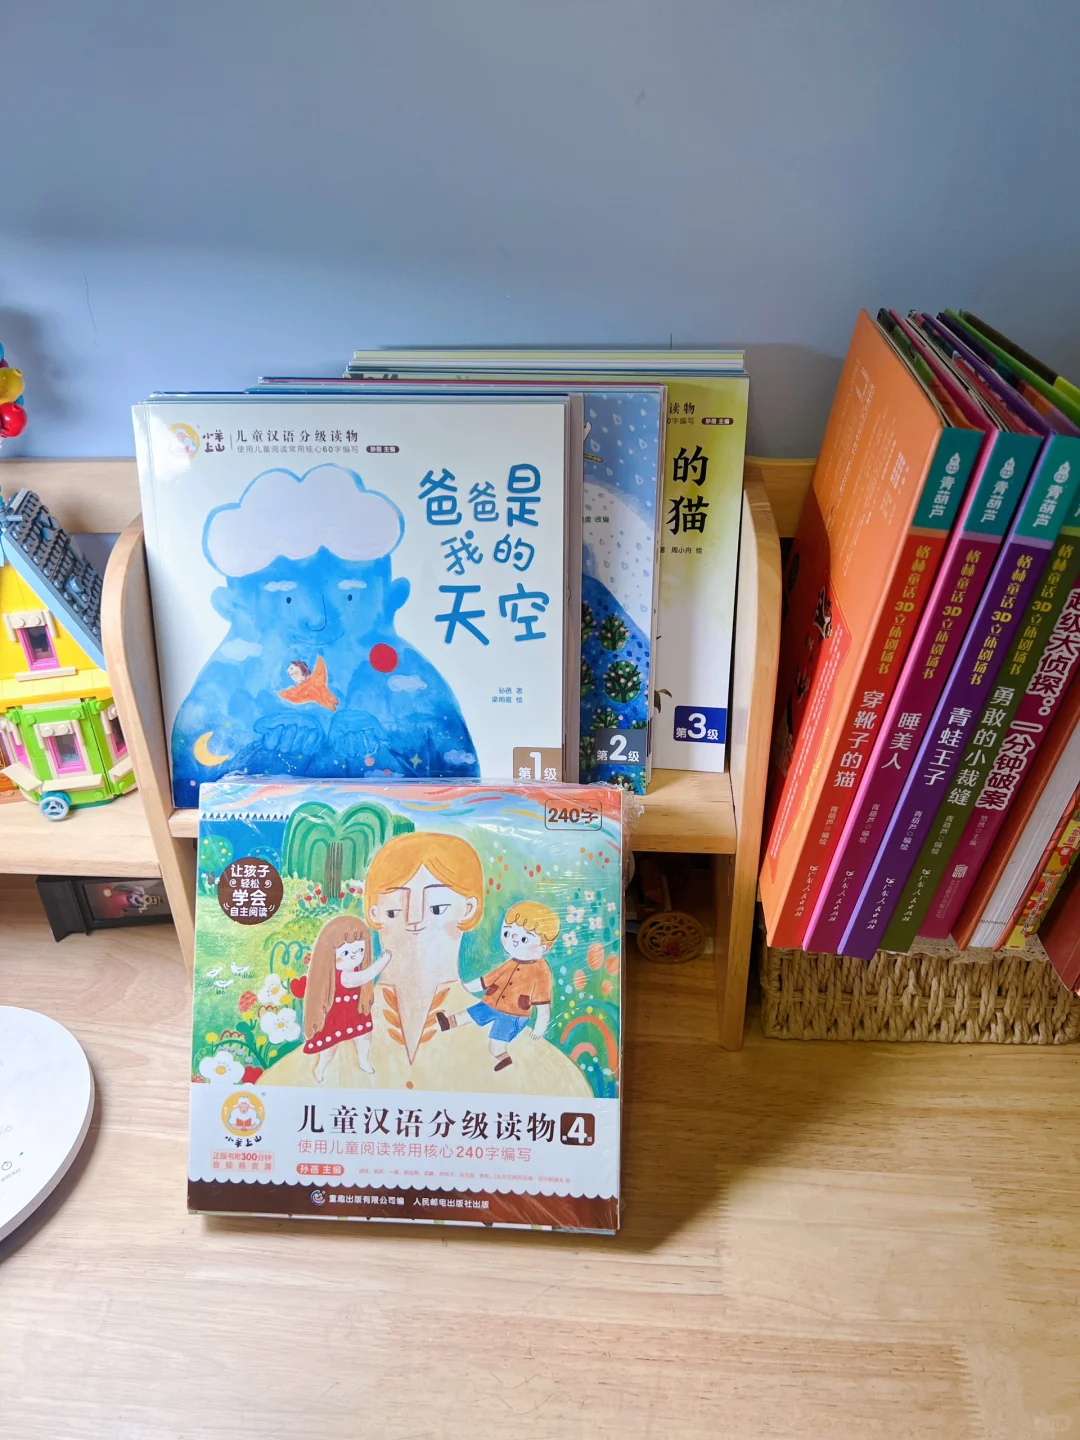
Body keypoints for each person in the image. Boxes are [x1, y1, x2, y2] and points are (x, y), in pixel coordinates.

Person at [365, 831, 483, 1064]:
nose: (414, 919)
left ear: (468, 909)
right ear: (374, 913)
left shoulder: (497, 1035)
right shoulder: (347, 1026)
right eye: (393, 911)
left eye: (437, 908)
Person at [436, 901, 557, 1072]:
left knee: (496, 1043)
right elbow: (489, 979)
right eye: (507, 933)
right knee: (471, 1014)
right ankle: (447, 1023)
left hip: (514, 1015)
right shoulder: (510, 963)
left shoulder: (541, 970)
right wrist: (468, 987)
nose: (513, 940)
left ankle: (502, 1057)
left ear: (541, 948)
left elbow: (543, 1003)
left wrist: (540, 1026)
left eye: (524, 938)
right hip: (491, 1003)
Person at [302, 914, 391, 1080]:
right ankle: (320, 1069)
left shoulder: (354, 969)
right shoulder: (343, 976)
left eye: (361, 950)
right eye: (346, 952)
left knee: (364, 1037)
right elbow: (365, 976)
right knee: (329, 1048)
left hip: (355, 1012)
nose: (355, 956)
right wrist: (384, 960)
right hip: (336, 1017)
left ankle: (363, 1061)